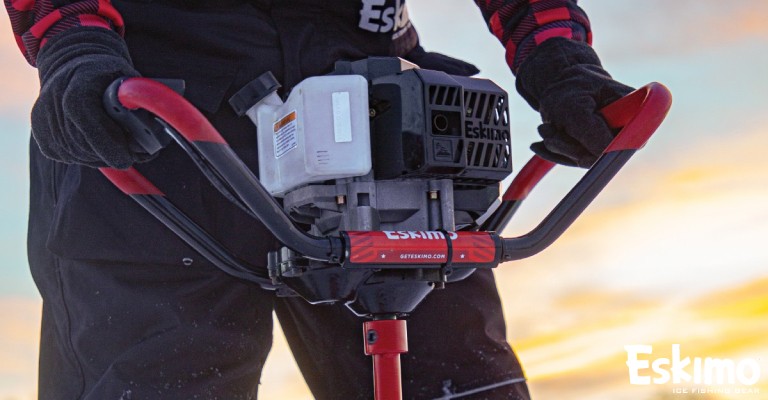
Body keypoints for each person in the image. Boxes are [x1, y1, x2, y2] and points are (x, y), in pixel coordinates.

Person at [4, 0, 632, 398]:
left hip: (381, 121)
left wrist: (559, 57)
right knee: (154, 379)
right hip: (156, 124)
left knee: (456, 384)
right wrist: (74, 47)